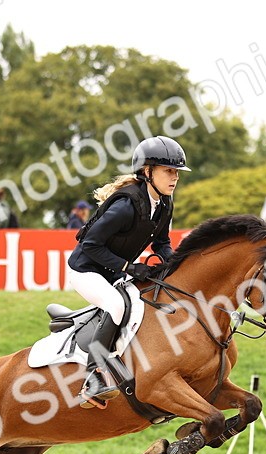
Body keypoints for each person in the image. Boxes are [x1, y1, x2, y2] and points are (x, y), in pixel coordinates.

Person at [66, 134, 187, 408]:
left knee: (146, 302)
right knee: (116, 305)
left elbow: (162, 243)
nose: (175, 177)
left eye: (177, 172)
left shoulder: (164, 204)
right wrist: (128, 266)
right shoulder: (125, 205)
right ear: (148, 171)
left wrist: (176, 267)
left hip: (114, 272)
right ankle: (93, 377)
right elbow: (90, 244)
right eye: (169, 171)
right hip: (86, 269)